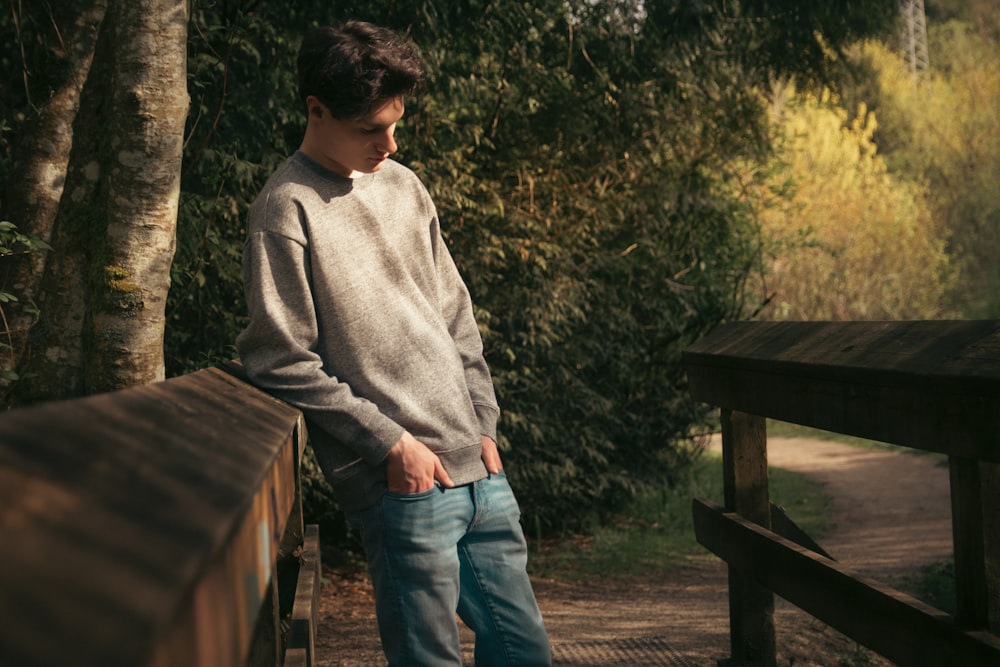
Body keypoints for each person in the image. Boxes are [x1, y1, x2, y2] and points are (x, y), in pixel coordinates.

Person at [236, 20, 552, 667]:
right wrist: (393, 446)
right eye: (370, 129)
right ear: (315, 111)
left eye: (395, 122)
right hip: (402, 485)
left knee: (526, 653)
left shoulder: (406, 185)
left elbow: (456, 314)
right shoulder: (285, 208)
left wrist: (484, 424)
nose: (390, 142)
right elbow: (278, 358)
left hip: (480, 470)